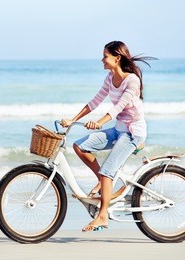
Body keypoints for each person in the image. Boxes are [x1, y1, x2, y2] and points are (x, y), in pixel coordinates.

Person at [61, 41, 154, 232]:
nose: (102, 59)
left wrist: (99, 122)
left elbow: (119, 106)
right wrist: (73, 120)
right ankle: (105, 184)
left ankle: (103, 216)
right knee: (80, 146)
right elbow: (94, 101)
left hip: (133, 133)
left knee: (107, 172)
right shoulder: (109, 78)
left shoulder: (132, 80)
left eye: (105, 56)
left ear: (117, 58)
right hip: (119, 129)